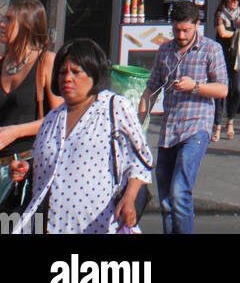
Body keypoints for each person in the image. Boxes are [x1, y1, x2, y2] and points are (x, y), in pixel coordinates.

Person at [11, 38, 152, 234]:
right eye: (62, 72)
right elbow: (52, 166)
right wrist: (26, 168)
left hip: (101, 225)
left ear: (94, 74)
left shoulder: (114, 107)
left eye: (76, 72)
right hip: (51, 226)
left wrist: (129, 199)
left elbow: (140, 161)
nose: (67, 78)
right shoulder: (52, 119)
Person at [139, 0, 228, 234]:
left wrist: (195, 86)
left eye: (185, 30)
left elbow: (222, 89)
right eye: (176, 30)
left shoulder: (211, 49)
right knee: (167, 199)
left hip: (196, 127)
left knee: (180, 192)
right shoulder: (164, 50)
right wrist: (138, 123)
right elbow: (151, 89)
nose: (180, 34)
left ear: (197, 25)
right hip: (169, 130)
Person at [0, 0, 61, 204]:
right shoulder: (2, 64)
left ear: (26, 26)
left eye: (9, 20)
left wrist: (15, 131)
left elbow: (60, 117)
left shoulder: (45, 61)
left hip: (28, 169)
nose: (2, 24)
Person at [213, 0, 240, 142]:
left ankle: (230, 120)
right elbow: (222, 33)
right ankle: (217, 124)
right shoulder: (220, 14)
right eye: (232, 0)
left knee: (237, 89)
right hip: (223, 56)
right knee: (221, 91)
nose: (235, 3)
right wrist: (239, 31)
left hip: (238, 55)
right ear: (226, 1)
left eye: (237, 0)